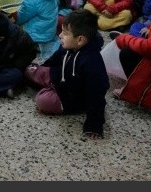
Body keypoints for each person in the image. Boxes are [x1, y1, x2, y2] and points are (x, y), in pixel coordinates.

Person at [24, 9, 109, 140]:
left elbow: (97, 95)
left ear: (80, 40)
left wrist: (94, 124)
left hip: (71, 97)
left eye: (65, 33)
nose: (60, 36)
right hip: (58, 76)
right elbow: (56, 58)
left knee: (42, 102)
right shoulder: (69, 44)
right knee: (30, 70)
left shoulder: (92, 63)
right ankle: (47, 86)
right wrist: (44, 67)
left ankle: (47, 90)